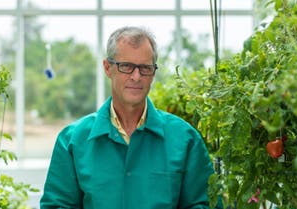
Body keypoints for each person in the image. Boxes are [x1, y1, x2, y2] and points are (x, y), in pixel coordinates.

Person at [40, 26, 217, 209]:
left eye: (145, 68)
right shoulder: (72, 141)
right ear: (108, 68)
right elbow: (56, 206)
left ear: (153, 73)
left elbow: (204, 204)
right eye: (126, 66)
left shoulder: (185, 139)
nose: (136, 76)